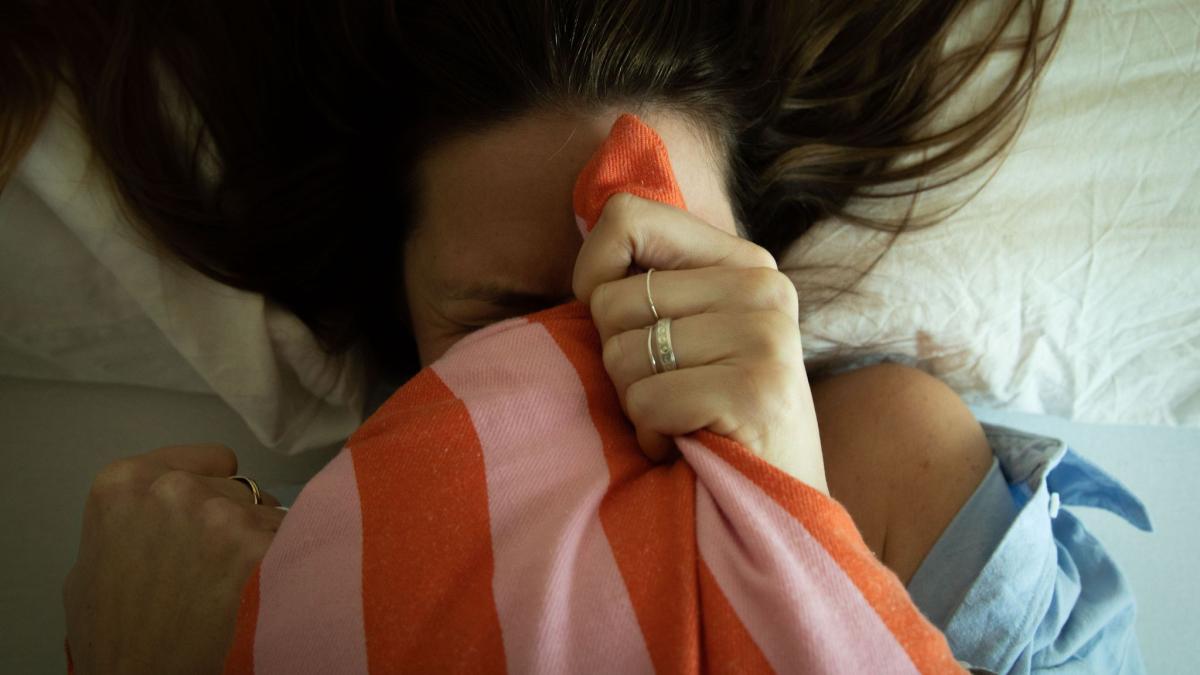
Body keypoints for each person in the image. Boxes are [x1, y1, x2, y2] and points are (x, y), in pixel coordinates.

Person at [7, 1, 1128, 672]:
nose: (604, 354)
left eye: (664, 276)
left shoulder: (884, 472)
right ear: (404, 321)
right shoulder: (267, 583)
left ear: (759, 267)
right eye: (507, 320)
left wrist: (793, 516)